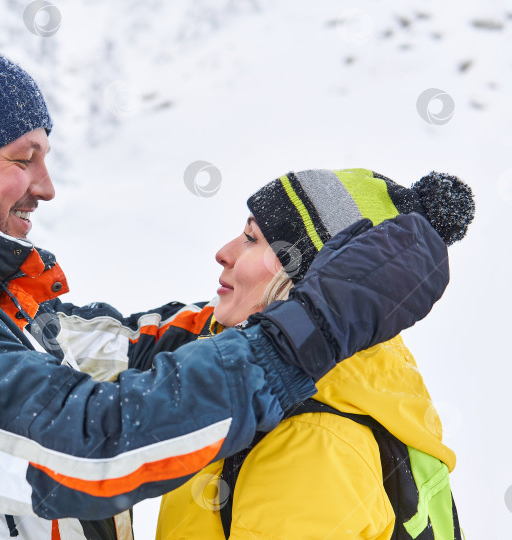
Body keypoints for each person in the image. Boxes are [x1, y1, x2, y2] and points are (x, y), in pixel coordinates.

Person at [0, 39, 449, 540]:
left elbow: (130, 351)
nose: (46, 186)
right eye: (22, 158)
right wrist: (314, 326)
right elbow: (89, 441)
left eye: (45, 158)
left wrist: (291, 307)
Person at [155, 168, 474, 539]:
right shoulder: (366, 371)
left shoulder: (308, 443)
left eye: (250, 239)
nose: (223, 253)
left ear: (307, 280)